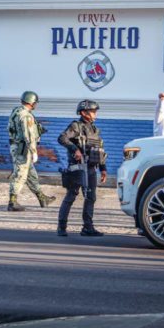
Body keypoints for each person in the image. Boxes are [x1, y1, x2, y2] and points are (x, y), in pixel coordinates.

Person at [57, 100, 108, 237]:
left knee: (91, 197)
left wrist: (103, 168)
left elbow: (99, 150)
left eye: (95, 111)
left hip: (91, 168)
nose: (95, 114)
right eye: (92, 111)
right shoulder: (75, 126)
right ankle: (61, 227)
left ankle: (88, 228)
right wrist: (75, 149)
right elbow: (62, 138)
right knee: (71, 196)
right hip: (77, 168)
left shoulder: (95, 129)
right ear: (83, 113)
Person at [7, 91, 56, 212]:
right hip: (23, 149)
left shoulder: (16, 111)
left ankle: (42, 198)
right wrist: (34, 151)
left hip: (18, 147)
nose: (36, 105)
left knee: (31, 175)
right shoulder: (26, 116)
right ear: (32, 102)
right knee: (20, 175)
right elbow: (28, 134)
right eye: (35, 103)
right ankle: (12, 202)